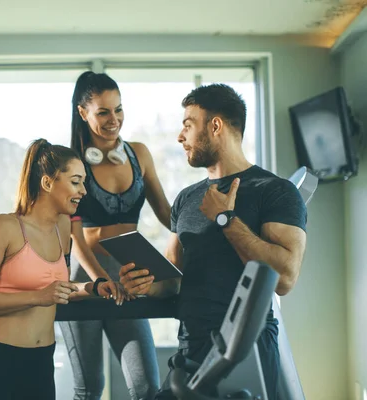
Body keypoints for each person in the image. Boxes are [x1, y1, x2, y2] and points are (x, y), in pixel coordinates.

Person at [119, 84, 308, 399]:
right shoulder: (188, 198)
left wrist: (226, 220)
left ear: (216, 125)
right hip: (190, 351)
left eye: (188, 126)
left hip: (245, 352)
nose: (181, 137)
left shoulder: (274, 191)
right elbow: (173, 278)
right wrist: (143, 283)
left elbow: (285, 277)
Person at [0, 139, 121, 400]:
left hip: (40, 364)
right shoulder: (5, 226)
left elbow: (56, 290)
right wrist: (37, 297)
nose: (83, 191)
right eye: (76, 181)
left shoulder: (63, 228)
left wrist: (93, 287)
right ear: (47, 183)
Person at [58, 71, 173, 400]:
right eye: (103, 112)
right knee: (90, 389)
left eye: (119, 109)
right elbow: (74, 236)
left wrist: (199, 229)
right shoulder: (72, 162)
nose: (114, 120)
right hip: (88, 274)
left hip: (130, 272)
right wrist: (98, 281)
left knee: (146, 387)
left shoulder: (139, 153)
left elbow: (165, 212)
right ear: (83, 113)